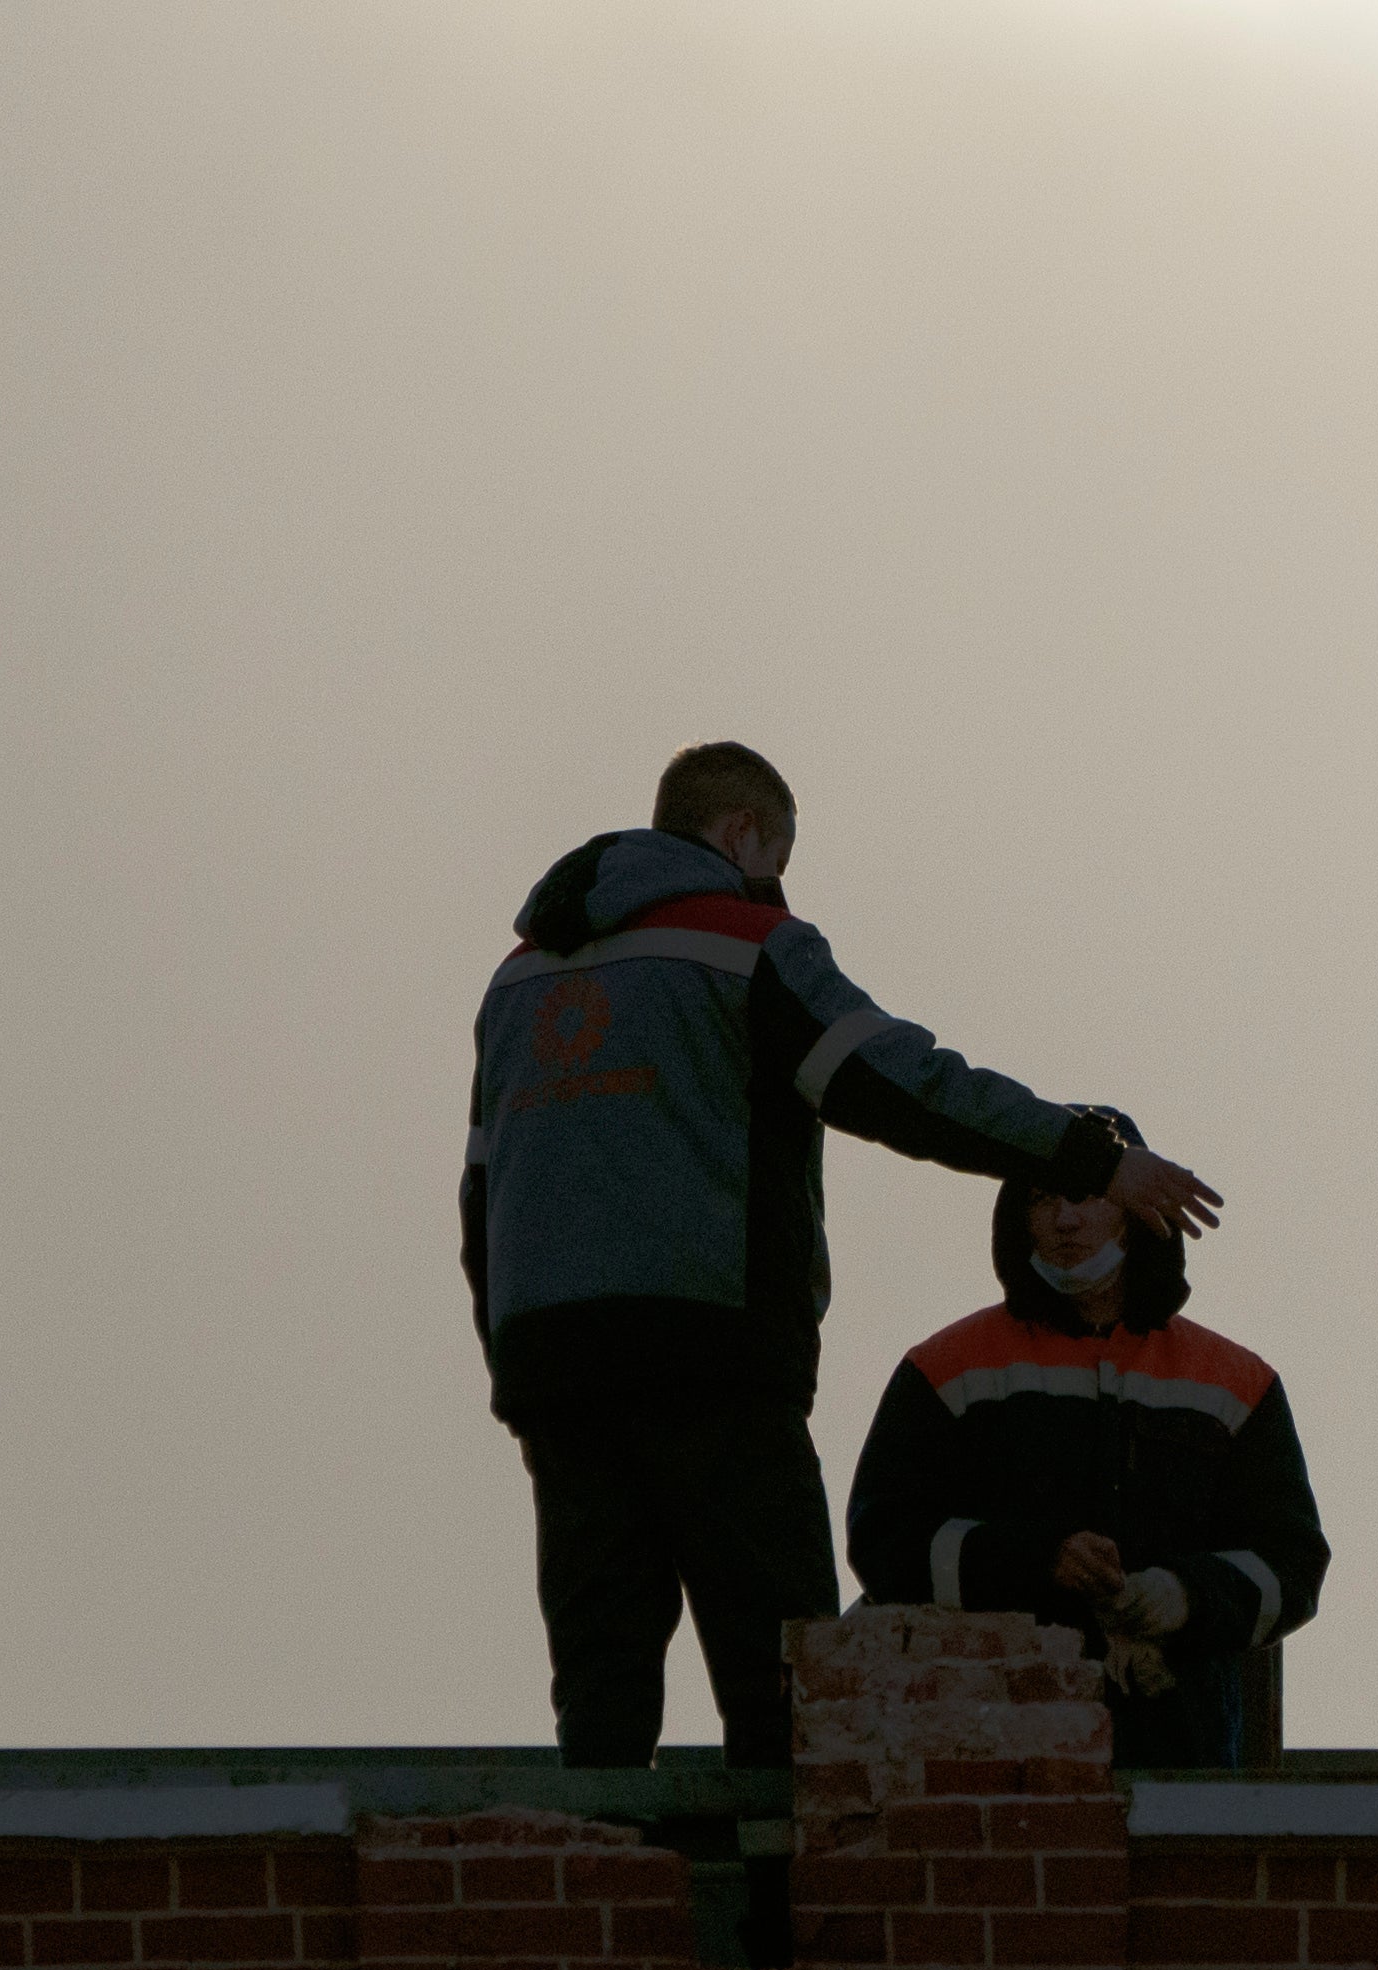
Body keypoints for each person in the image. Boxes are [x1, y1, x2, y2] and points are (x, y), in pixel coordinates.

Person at [461, 741, 1221, 1769]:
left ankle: (599, 1891)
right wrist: (1093, 1156)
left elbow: (481, 1189)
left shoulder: (518, 977)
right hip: (711, 1344)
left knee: (600, 1668)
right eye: (778, 851)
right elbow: (905, 1083)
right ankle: (790, 1915)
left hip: (551, 1352)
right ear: (742, 834)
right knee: (779, 1667)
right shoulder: (746, 940)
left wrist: (512, 1346)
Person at [843, 1162, 1328, 1772]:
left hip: (1180, 1755)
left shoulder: (1237, 1382)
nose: (1064, 1218)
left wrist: (1182, 1596)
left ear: (1139, 1215)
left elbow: (1294, 1563)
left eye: (1088, 1195)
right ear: (1019, 1221)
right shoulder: (945, 1368)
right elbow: (885, 1541)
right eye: (1043, 1199)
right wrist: (1038, 1562)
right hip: (988, 1761)